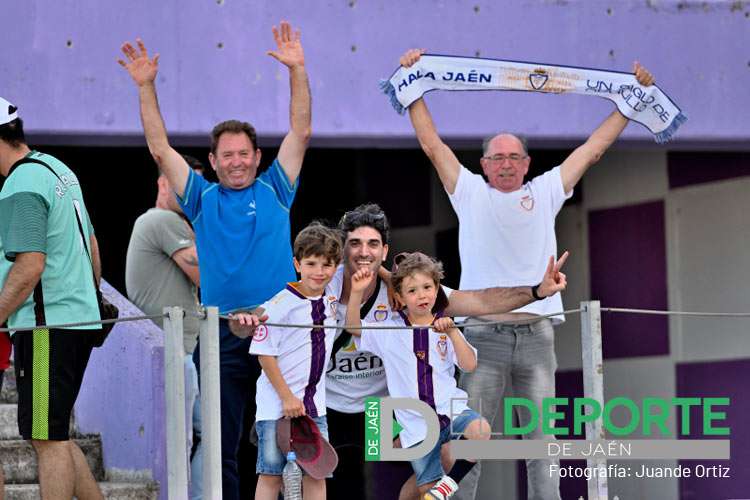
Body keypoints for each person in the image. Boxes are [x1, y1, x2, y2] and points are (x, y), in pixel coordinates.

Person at [399, 48, 655, 499]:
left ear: (527, 163)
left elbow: (593, 150)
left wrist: (630, 103)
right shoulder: (470, 193)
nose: (505, 164)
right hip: (480, 336)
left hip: (537, 336)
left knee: (542, 444)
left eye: (514, 157)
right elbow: (431, 144)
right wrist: (412, 83)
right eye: (496, 158)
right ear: (483, 165)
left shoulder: (548, 190)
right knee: (469, 443)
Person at [118, 21, 311, 499]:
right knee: (220, 444)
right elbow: (160, 148)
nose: (237, 162)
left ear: (257, 155)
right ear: (214, 159)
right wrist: (146, 86)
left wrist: (297, 70)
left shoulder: (276, 188)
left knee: (291, 438)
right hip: (221, 332)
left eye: (244, 154)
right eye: (227, 156)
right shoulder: (201, 199)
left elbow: (301, 129)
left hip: (281, 328)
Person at [325, 203, 568, 499]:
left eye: (373, 244)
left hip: (380, 410)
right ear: (342, 248)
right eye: (355, 244)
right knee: (302, 470)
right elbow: (275, 309)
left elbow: (483, 303)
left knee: (438, 467)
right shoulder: (320, 284)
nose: (364, 252)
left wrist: (536, 292)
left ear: (384, 251)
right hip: (328, 404)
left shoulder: (413, 293)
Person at [0, 97, 103, 500]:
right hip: (77, 320)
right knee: (55, 432)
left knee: (47, 439)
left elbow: (29, 267)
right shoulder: (58, 169)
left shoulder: (20, 182)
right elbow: (92, 246)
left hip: (46, 325)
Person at [345, 253, 491, 500]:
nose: (422, 295)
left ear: (437, 289)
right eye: (412, 291)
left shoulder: (445, 325)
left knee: (481, 430)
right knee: (425, 492)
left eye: (427, 287)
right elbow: (353, 327)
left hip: (449, 410)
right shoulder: (389, 330)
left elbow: (470, 365)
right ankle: (436, 489)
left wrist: (454, 333)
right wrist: (357, 292)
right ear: (400, 297)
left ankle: (448, 486)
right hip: (416, 427)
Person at [230, 222, 342, 500]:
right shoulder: (279, 305)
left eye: (326, 265)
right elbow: (264, 353)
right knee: (270, 474)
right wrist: (287, 398)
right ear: (297, 264)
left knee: (317, 474)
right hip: (277, 408)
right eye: (311, 263)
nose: (319, 271)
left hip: (315, 407)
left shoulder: (330, 299)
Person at [124, 155, 204, 498]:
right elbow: (207, 275)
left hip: (183, 350)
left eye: (196, 187)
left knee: (207, 435)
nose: (191, 194)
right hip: (172, 353)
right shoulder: (162, 219)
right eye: (183, 184)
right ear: (162, 183)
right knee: (183, 439)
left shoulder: (175, 222)